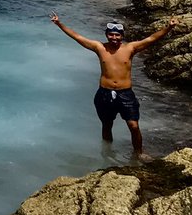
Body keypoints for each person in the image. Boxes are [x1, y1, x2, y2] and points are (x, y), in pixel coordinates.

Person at [49, 13, 178, 155]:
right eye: (111, 35)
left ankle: (139, 154)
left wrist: (169, 27)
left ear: (122, 36)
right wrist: (59, 24)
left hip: (125, 93)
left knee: (134, 126)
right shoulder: (99, 48)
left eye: (117, 35)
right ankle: (107, 153)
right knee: (106, 125)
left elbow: (152, 38)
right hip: (104, 93)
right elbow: (77, 37)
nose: (114, 38)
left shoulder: (130, 48)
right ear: (106, 35)